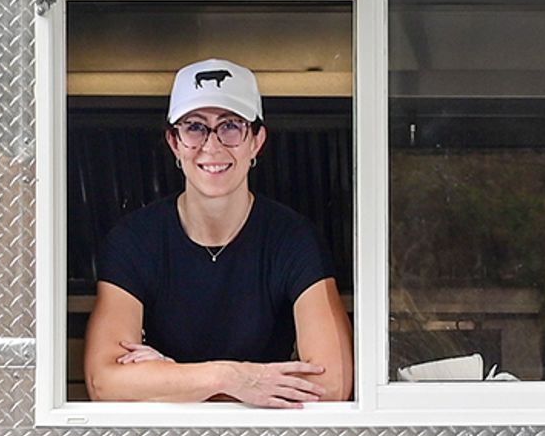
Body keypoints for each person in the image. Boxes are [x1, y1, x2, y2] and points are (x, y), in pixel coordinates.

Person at [84, 60, 352, 407]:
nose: (211, 146)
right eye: (194, 127)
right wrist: (231, 378)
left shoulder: (293, 239)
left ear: (257, 141)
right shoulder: (134, 240)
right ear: (174, 142)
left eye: (231, 126)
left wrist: (169, 381)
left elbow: (332, 384)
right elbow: (104, 383)